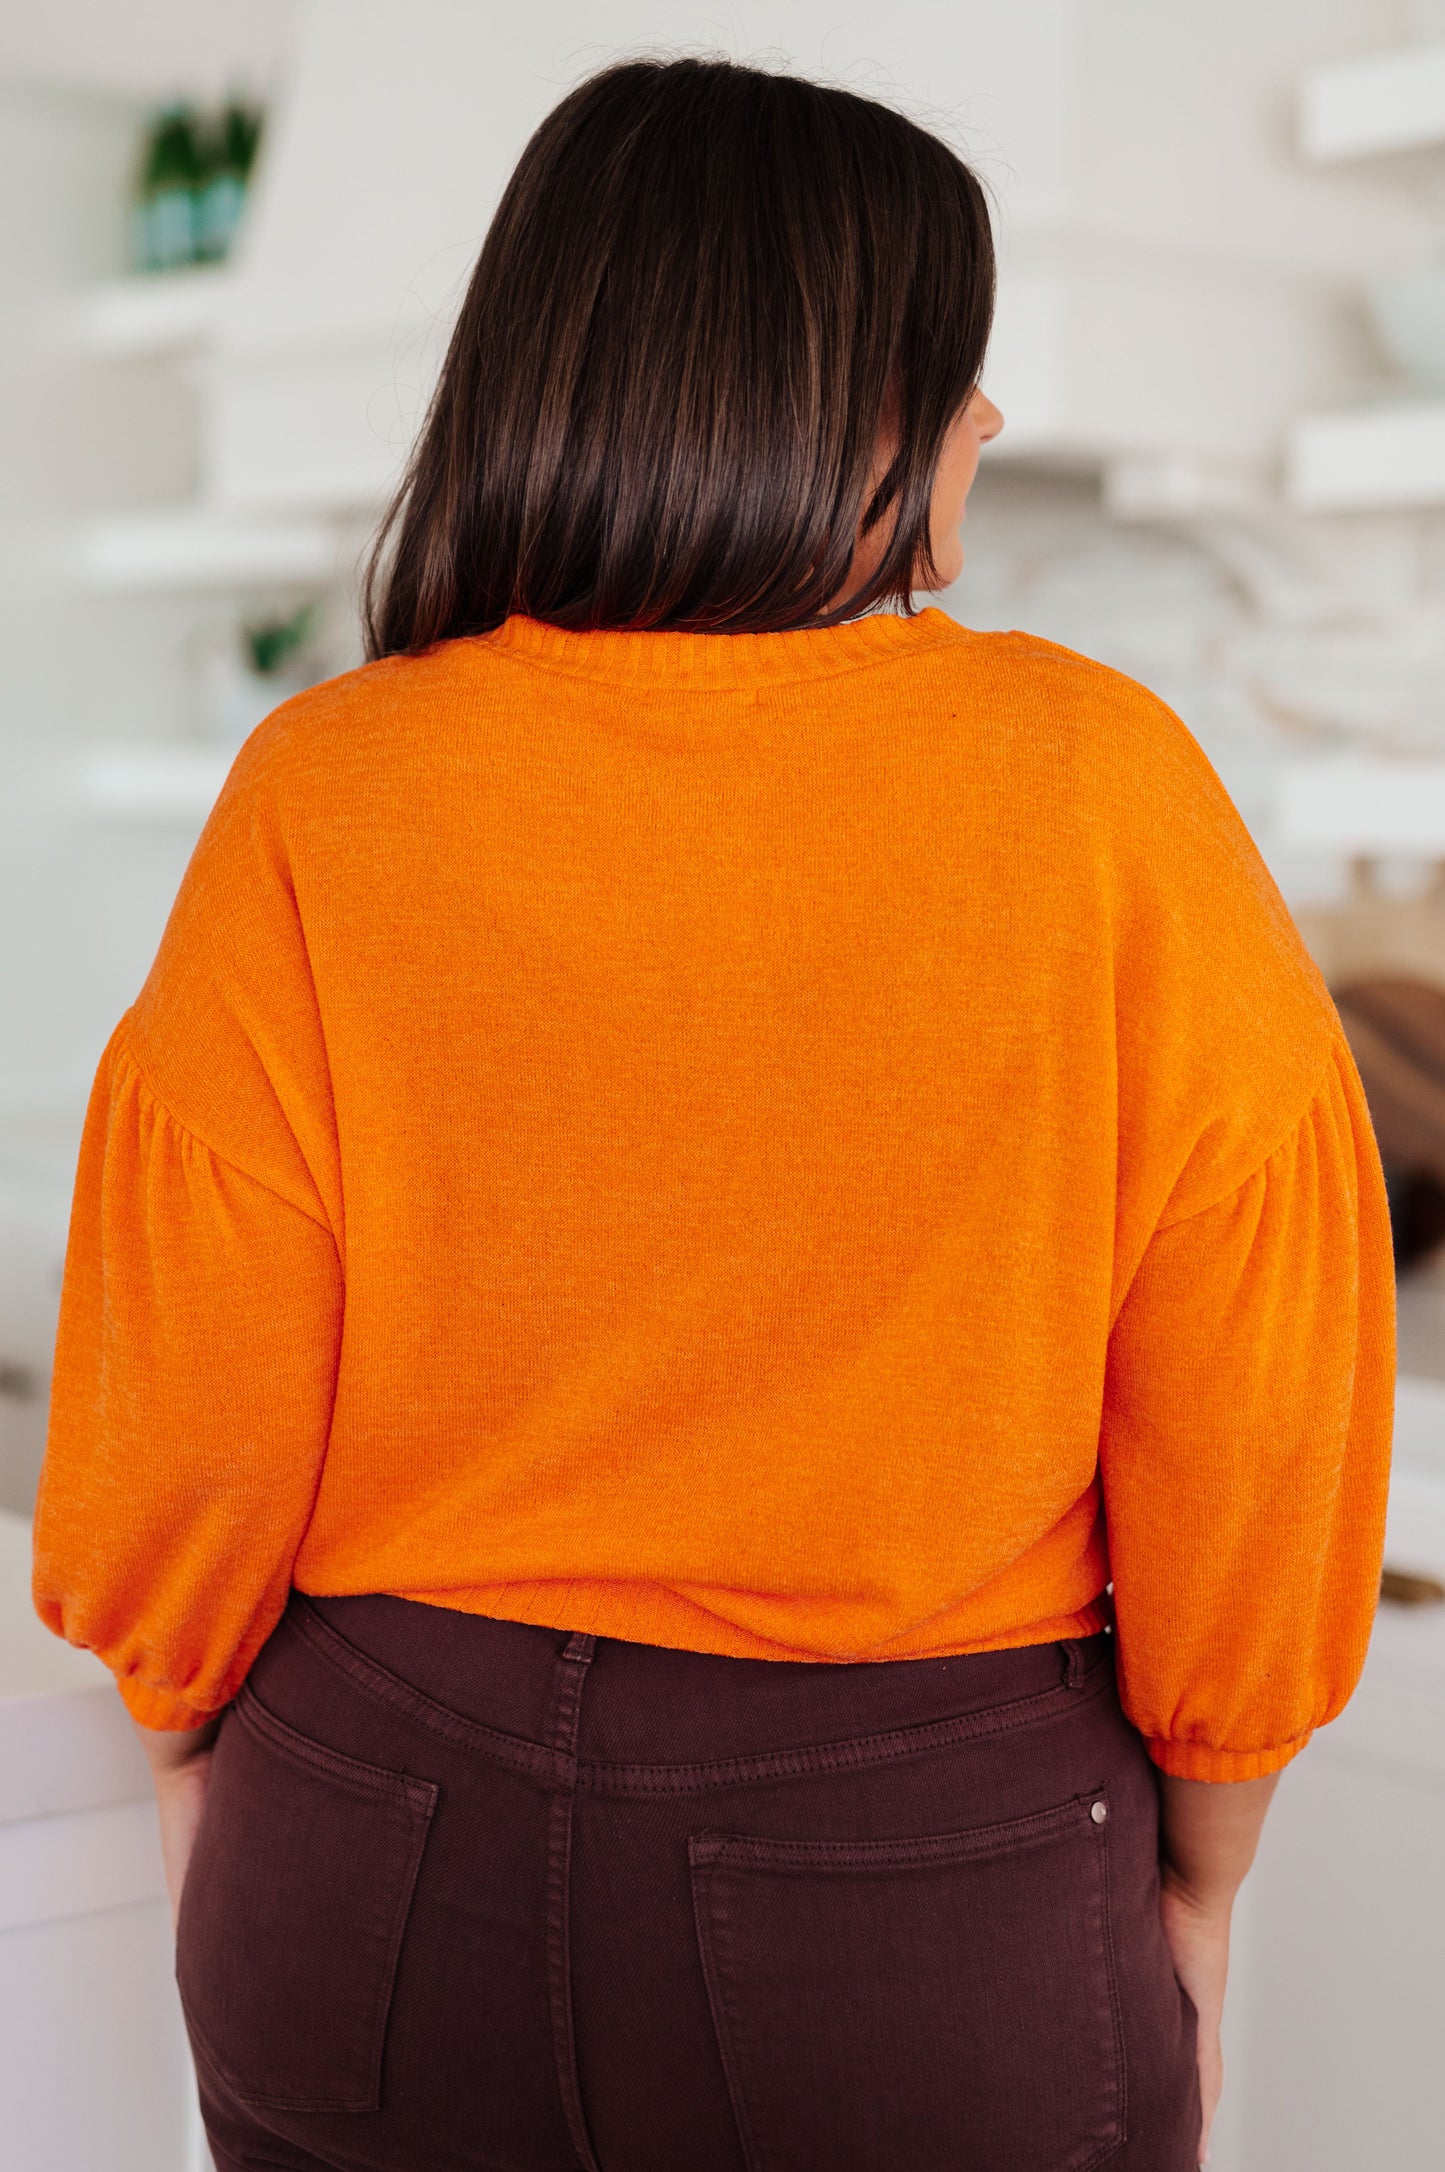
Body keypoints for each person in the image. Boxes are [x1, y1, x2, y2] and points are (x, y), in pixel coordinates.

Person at [32, 54, 1393, 2172]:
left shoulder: (328, 785)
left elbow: (186, 1399)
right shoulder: (1098, 784)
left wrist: (202, 1754)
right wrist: (1208, 1868)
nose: (991, 421)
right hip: (926, 1884)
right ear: (856, 410)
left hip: (371, 1845)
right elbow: (1259, 1401)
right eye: (959, 367)